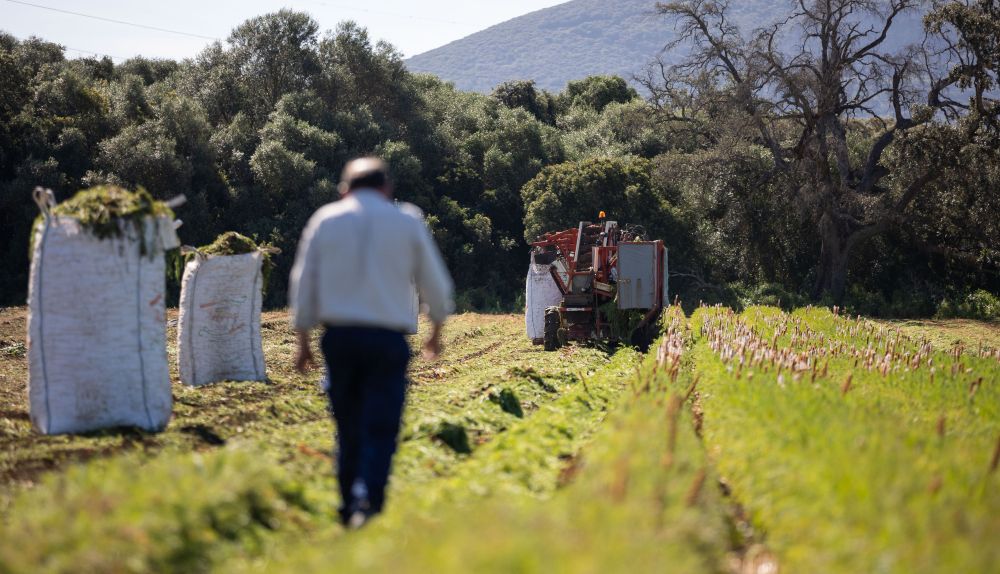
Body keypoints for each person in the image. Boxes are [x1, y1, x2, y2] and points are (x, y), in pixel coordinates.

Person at [289, 157, 454, 528]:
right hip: (386, 340)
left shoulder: (325, 220)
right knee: (381, 424)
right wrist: (436, 332)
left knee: (347, 425)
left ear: (344, 189)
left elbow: (303, 283)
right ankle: (370, 502)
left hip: (340, 338)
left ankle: (348, 503)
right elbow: (435, 283)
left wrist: (302, 342)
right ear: (387, 189)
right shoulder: (406, 220)